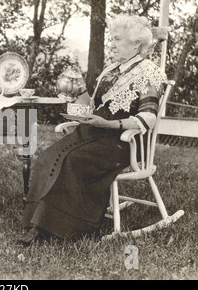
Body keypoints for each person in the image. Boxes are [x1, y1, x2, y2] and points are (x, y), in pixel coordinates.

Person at [18, 14, 167, 245]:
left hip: (121, 142)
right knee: (48, 156)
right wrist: (78, 91)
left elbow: (148, 116)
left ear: (136, 43)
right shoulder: (110, 71)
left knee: (71, 161)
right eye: (111, 39)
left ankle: (62, 226)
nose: (112, 44)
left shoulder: (149, 72)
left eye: (117, 39)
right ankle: (37, 222)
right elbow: (92, 108)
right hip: (92, 133)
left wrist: (111, 125)